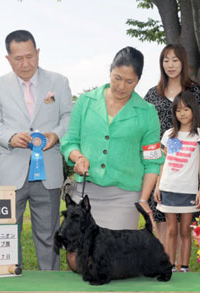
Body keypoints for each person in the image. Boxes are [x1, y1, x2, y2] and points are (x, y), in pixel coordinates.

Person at [0, 30, 73, 270]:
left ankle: (50, 284)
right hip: (11, 172)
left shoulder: (59, 81)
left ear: (38, 53)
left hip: (49, 171)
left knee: (48, 235)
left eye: (30, 56)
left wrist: (56, 135)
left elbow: (68, 116)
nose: (25, 63)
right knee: (6, 234)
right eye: (18, 58)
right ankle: (9, 280)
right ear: (8, 58)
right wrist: (10, 137)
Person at [60, 46, 164, 231]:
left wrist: (143, 199)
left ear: (138, 80)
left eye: (129, 81)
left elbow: (153, 161)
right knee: (76, 255)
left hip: (123, 198)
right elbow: (69, 141)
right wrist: (78, 158)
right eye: (117, 78)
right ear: (110, 72)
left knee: (112, 257)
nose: (122, 86)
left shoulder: (147, 112)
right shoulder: (85, 101)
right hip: (85, 192)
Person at [144, 44, 200, 266]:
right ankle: (164, 264)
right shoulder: (153, 93)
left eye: (175, 60)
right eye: (165, 60)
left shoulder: (196, 92)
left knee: (184, 227)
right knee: (162, 218)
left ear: (183, 62)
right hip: (161, 166)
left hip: (188, 175)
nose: (170, 65)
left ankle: (183, 267)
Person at [154, 91, 200, 273]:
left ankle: (183, 266)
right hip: (168, 188)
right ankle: (169, 266)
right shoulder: (169, 135)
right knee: (171, 230)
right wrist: (157, 186)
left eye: (186, 109)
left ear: (194, 110)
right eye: (178, 110)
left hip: (189, 190)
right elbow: (163, 162)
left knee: (185, 230)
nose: (182, 113)